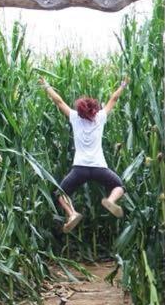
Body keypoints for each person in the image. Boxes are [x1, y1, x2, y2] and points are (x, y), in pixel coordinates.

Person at [40, 76, 128, 232]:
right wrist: (123, 85)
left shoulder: (74, 117)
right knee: (118, 186)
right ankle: (111, 201)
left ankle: (72, 214)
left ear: (80, 110)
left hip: (79, 168)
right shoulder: (100, 118)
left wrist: (47, 86)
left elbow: (59, 101)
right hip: (99, 167)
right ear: (94, 109)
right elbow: (113, 99)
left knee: (61, 193)